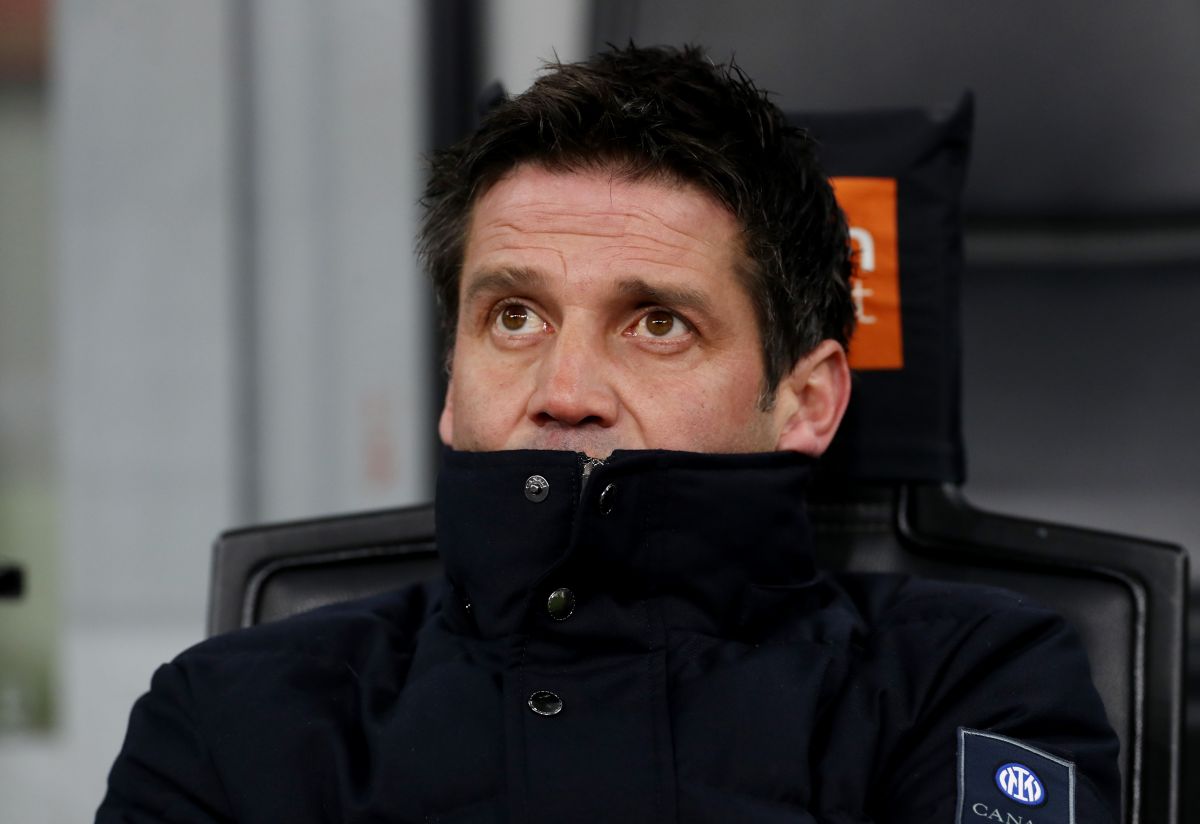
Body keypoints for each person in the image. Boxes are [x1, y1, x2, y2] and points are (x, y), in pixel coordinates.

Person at [98, 45, 1118, 823]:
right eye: (513, 316)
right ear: (451, 381)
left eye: (658, 322)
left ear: (806, 400)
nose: (564, 388)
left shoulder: (976, 679)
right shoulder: (231, 716)